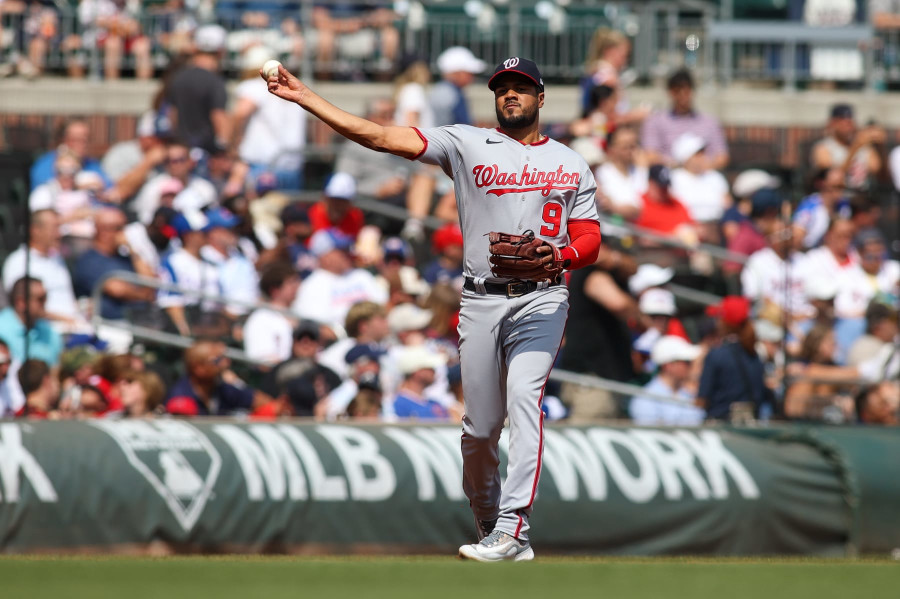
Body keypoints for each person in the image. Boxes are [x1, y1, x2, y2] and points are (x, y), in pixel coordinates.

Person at [262, 53, 601, 561]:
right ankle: (488, 519)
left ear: (540, 97)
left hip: (542, 298)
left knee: (525, 401)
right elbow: (379, 136)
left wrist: (563, 255)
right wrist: (307, 97)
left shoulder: (570, 161)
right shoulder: (465, 142)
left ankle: (513, 529)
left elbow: (590, 238)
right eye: (502, 87)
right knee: (481, 428)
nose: (510, 94)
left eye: (521, 87)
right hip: (481, 299)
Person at [230, 45, 307, 191]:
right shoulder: (292, 89)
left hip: (264, 166)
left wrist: (233, 145)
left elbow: (241, 113)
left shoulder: (253, 85)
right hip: (293, 165)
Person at [290, 228, 387, 332]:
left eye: (347, 248)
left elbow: (384, 306)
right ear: (324, 255)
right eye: (341, 250)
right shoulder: (312, 285)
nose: (348, 252)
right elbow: (318, 327)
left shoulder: (361, 275)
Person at [2, 209, 82, 329]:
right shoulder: (18, 262)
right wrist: (64, 319)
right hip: (46, 331)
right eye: (54, 228)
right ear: (35, 230)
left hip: (76, 324)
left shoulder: (57, 258)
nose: (59, 234)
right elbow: (21, 305)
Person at [72, 207, 156, 321]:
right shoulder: (89, 261)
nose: (124, 233)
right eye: (119, 228)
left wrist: (133, 251)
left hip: (140, 322)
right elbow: (117, 290)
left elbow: (152, 283)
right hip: (109, 325)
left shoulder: (127, 258)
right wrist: (145, 295)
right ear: (103, 231)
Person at [697, 296, 772, 421]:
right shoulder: (754, 354)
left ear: (724, 322)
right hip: (751, 428)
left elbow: (702, 399)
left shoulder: (716, 355)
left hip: (721, 429)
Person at [641, 69, 729, 170]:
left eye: (686, 90)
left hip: (703, 178)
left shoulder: (710, 122)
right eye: (678, 91)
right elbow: (649, 155)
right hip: (669, 178)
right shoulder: (655, 122)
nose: (683, 96)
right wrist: (680, 165)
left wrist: (702, 166)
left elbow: (722, 157)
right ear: (670, 92)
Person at [165, 24, 229, 153]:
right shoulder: (215, 81)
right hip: (208, 153)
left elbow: (172, 115)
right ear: (221, 52)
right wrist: (224, 151)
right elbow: (219, 118)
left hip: (184, 154)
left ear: (195, 49)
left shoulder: (178, 77)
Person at [165, 340, 267, 417]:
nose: (225, 364)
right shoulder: (180, 395)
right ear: (198, 368)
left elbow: (263, 402)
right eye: (217, 361)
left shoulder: (223, 389)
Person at [260, 321, 341, 417]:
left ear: (318, 343)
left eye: (311, 338)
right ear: (293, 341)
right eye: (300, 337)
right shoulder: (277, 371)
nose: (306, 342)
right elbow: (263, 401)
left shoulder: (329, 375)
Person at [132, 140, 218, 224]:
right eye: (169, 160)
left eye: (180, 160)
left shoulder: (205, 188)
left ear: (191, 162)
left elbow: (213, 219)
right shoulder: (152, 188)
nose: (174, 165)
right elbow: (146, 221)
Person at [629, 335, 704, 426]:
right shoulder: (645, 399)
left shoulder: (691, 394)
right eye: (686, 362)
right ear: (668, 366)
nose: (691, 366)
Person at [810, 104, 883, 191]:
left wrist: (879, 146)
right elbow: (835, 179)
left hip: (862, 197)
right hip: (837, 197)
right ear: (833, 123)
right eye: (843, 121)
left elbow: (878, 172)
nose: (848, 125)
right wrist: (855, 148)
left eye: (850, 121)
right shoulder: (823, 148)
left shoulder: (864, 146)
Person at [243, 261, 300, 366]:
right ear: (275, 290)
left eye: (297, 282)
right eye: (291, 283)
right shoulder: (261, 318)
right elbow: (263, 361)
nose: (297, 287)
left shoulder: (299, 313)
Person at [0, 277, 63, 367]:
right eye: (40, 299)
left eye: (46, 297)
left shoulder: (50, 333)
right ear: (21, 302)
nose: (45, 302)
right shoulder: (1, 329)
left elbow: (55, 372)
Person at [30, 119, 109, 190]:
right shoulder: (46, 165)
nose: (83, 144)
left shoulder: (92, 164)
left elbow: (109, 188)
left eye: (86, 139)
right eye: (78, 139)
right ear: (64, 140)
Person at [594, 126, 647, 221]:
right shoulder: (602, 173)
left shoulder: (640, 171)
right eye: (626, 146)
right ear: (612, 148)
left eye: (634, 145)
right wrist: (617, 209)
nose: (631, 151)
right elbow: (608, 206)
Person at [793, 167, 850, 249]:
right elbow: (797, 237)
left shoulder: (844, 207)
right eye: (836, 186)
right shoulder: (810, 206)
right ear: (822, 184)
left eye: (842, 187)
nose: (839, 191)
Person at [429, 46, 485, 127]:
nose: (472, 77)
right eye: (469, 73)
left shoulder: (447, 90)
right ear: (457, 73)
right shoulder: (449, 94)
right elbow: (460, 127)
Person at [391, 345, 450, 420]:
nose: (434, 372)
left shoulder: (435, 403)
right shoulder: (398, 405)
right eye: (430, 368)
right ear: (417, 372)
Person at [307, 172, 365, 238]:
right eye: (334, 199)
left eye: (343, 200)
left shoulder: (355, 217)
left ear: (351, 203)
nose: (338, 205)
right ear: (324, 198)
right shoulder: (311, 215)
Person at [0, 339, 24, 418]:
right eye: (1, 361)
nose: (6, 366)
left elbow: (19, 405)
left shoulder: (16, 372)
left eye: (8, 361)